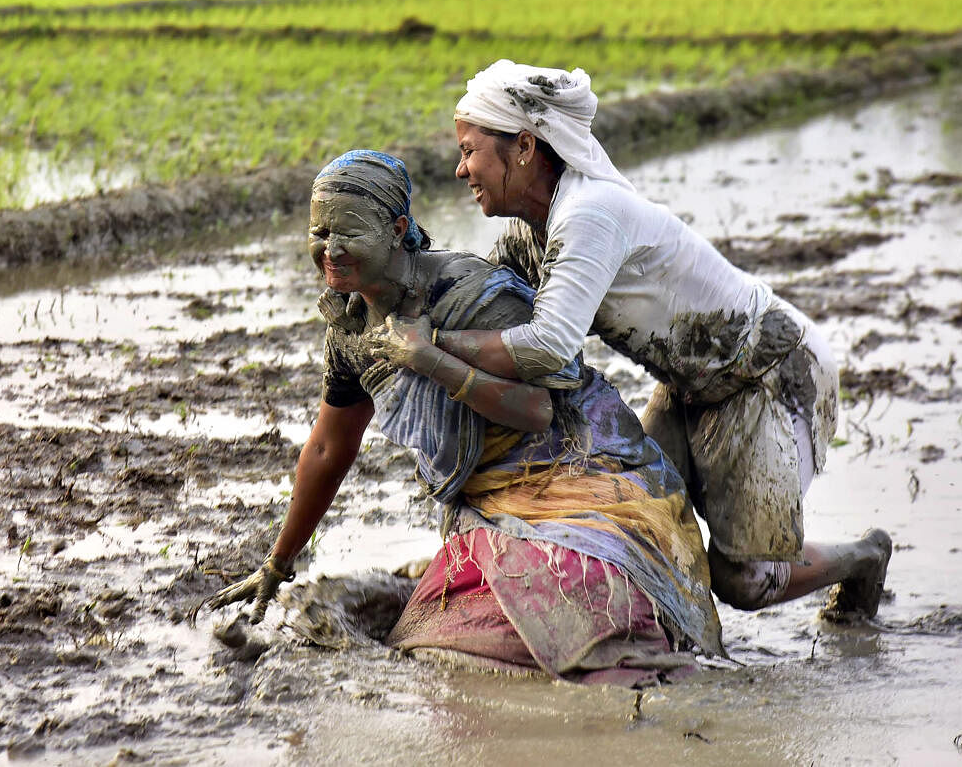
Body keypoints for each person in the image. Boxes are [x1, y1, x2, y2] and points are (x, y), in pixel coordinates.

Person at [204, 150, 724, 685]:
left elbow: (539, 411)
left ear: (397, 229)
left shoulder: (472, 296)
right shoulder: (350, 324)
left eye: (348, 233)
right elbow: (327, 447)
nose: (330, 251)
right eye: (319, 232)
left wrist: (431, 358)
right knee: (447, 635)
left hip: (577, 473)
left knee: (581, 605)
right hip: (487, 498)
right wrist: (278, 562)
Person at [432, 60, 890, 619]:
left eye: (469, 150)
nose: (461, 169)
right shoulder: (535, 229)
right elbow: (485, 296)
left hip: (766, 376)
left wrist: (434, 350)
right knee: (625, 516)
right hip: (688, 386)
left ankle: (866, 556)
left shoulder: (589, 215)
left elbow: (549, 345)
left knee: (744, 582)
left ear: (524, 146)